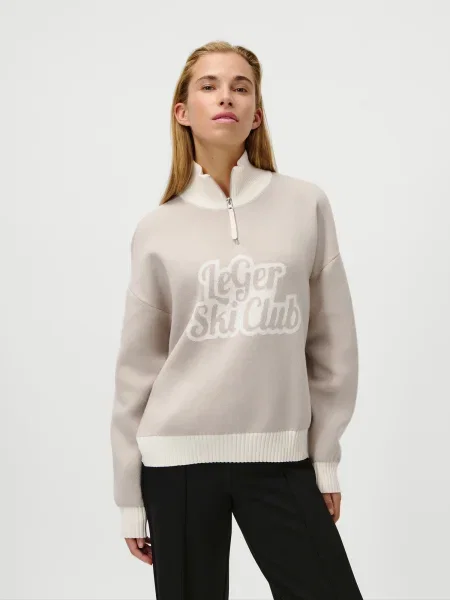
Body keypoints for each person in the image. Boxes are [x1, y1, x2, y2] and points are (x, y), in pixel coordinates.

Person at [110, 39, 364, 599]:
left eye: (240, 87)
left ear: (257, 114)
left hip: (280, 457)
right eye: (209, 85)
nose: (226, 96)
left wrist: (324, 458)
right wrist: (129, 496)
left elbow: (332, 344)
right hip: (175, 463)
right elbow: (137, 369)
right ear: (183, 112)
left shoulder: (305, 205)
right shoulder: (157, 228)